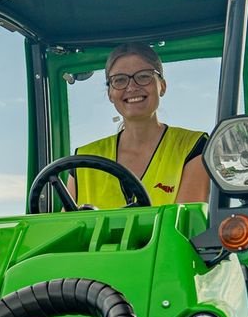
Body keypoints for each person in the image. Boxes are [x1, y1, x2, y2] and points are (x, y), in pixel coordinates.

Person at [69, 43, 209, 208]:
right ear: (110, 94)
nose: (132, 87)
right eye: (119, 80)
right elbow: (64, 222)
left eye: (143, 76)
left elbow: (187, 221)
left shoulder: (193, 147)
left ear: (162, 86)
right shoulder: (83, 161)